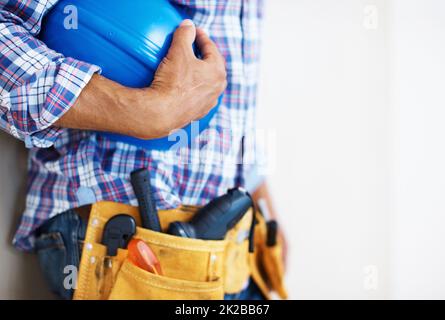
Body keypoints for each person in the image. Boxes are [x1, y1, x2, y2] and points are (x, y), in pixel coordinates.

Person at [0, 0, 286, 299]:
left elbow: (227, 87)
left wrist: (256, 191)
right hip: (126, 242)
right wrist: (136, 110)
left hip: (234, 250)